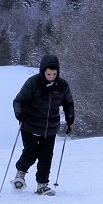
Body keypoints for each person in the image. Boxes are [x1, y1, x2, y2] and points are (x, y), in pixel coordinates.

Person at [11, 54, 75, 195]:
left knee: (46, 156)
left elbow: (68, 103)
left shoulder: (62, 85)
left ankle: (42, 184)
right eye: (48, 74)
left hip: (50, 128)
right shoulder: (33, 83)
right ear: (42, 72)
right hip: (30, 125)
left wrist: (70, 117)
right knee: (30, 152)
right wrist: (20, 113)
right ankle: (20, 174)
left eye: (54, 73)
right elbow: (18, 101)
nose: (51, 76)